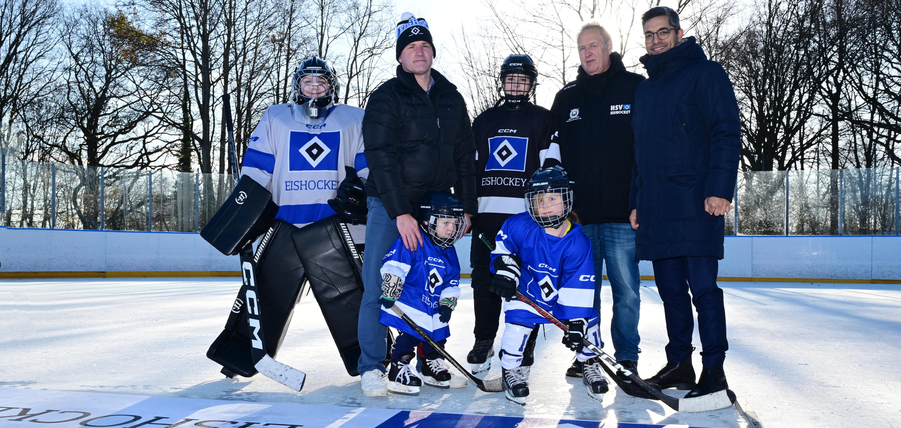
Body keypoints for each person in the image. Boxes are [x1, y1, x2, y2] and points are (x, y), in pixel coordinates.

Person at [205, 55, 370, 378]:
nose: (314, 88)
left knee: (349, 299)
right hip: (285, 224)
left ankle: (371, 360)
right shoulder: (275, 117)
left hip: (334, 227)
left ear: (332, 87)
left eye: (321, 82)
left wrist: (364, 192)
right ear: (297, 85)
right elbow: (257, 169)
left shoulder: (353, 118)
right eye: (308, 82)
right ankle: (240, 355)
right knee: (267, 293)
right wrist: (245, 209)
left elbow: (367, 167)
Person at [357, 12, 477, 397]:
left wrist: (468, 207)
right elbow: (381, 157)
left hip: (436, 209)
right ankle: (372, 366)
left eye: (425, 45)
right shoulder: (386, 97)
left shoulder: (451, 97)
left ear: (433, 52)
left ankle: (429, 359)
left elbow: (465, 155)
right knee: (380, 285)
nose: (419, 52)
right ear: (400, 56)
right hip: (389, 205)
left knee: (431, 286)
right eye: (411, 47)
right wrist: (400, 212)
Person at [629, 6, 741, 401]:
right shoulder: (645, 90)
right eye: (649, 34)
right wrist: (636, 201)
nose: (656, 40)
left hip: (696, 202)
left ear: (679, 34)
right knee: (671, 292)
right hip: (657, 208)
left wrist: (720, 188)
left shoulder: (706, 74)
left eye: (663, 32)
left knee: (704, 291)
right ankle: (679, 364)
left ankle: (714, 371)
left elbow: (726, 131)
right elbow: (639, 153)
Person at [550, 22, 645, 380]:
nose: (587, 53)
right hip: (580, 217)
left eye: (593, 45)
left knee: (627, 292)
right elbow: (553, 156)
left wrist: (640, 200)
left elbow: (646, 150)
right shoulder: (567, 97)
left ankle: (627, 356)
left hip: (623, 214)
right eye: (581, 48)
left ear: (608, 46)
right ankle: (586, 354)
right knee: (582, 293)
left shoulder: (635, 87)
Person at [467, 54, 561, 374]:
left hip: (526, 222)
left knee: (527, 283)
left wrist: (546, 214)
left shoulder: (544, 120)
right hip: (487, 218)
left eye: (523, 80)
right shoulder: (483, 121)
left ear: (532, 84)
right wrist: (469, 209)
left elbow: (551, 168)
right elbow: (470, 170)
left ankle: (525, 342)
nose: (516, 85)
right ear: (502, 82)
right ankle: (483, 339)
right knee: (484, 282)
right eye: (511, 79)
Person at [488, 166, 607, 405]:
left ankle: (589, 362)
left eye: (552, 199)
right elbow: (503, 250)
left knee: (589, 321)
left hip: (561, 300)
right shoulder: (518, 225)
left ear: (567, 200)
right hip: (527, 296)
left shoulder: (578, 242)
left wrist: (576, 322)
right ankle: (510, 369)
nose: (545, 206)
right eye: (539, 200)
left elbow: (577, 285)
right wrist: (506, 272)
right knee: (516, 326)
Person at [377, 191, 467, 395]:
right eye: (446, 223)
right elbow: (395, 265)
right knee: (409, 336)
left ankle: (430, 365)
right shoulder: (413, 239)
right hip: (411, 302)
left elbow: (451, 281)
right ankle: (398, 368)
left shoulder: (449, 251)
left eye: (454, 224)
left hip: (433, 305)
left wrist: (447, 304)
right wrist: (390, 291)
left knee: (439, 336)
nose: (451, 229)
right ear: (427, 221)